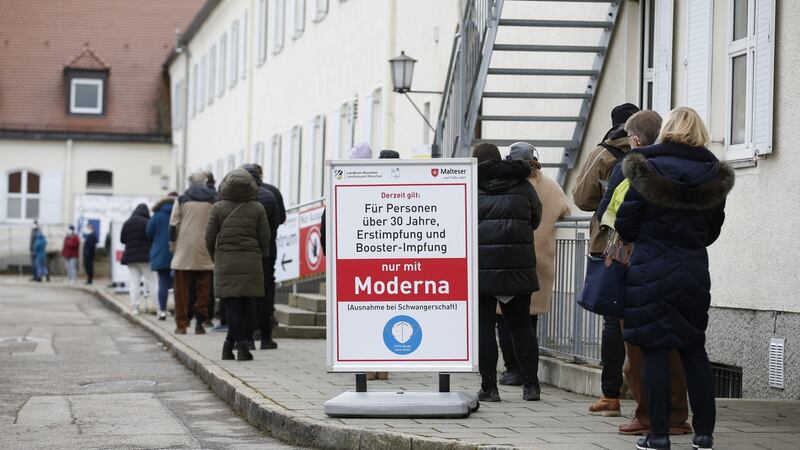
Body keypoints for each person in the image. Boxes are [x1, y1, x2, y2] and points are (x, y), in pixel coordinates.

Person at [609, 107, 733, 450]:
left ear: (668, 130)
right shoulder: (712, 174)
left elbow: (625, 223)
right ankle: (704, 435)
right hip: (693, 271)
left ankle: (658, 435)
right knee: (694, 350)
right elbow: (711, 231)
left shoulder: (646, 168)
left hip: (650, 270)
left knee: (655, 352)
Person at [597, 111, 694, 437]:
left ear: (635, 139)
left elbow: (614, 217)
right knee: (676, 346)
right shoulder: (685, 169)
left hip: (638, 266)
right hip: (684, 269)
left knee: (639, 345)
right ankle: (678, 416)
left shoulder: (636, 168)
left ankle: (648, 415)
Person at [572, 102, 639, 417]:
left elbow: (582, 198)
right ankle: (647, 392)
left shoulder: (604, 153)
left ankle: (611, 395)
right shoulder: (655, 150)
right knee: (644, 314)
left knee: (613, 317)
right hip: (645, 244)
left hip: (611, 243)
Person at [496, 143, 571, 386]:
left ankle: (513, 369)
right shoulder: (551, 186)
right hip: (540, 262)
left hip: (508, 258)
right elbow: (567, 210)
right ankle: (529, 371)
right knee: (529, 320)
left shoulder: (505, 184)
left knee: (505, 318)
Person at [473, 142, 542, 402]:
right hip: (518, 266)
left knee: (484, 327)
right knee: (521, 325)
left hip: (482, 269)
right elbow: (535, 219)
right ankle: (531, 386)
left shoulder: (470, 188)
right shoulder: (524, 186)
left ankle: (489, 388)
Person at [205, 168, 270, 361]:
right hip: (251, 260)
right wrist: (260, 256)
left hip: (226, 260)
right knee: (247, 304)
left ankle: (232, 346)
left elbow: (209, 238)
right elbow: (265, 238)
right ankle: (240, 346)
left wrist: (216, 258)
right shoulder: (258, 208)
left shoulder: (217, 208)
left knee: (231, 304)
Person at [170, 171, 217, 335]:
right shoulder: (213, 199)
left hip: (184, 249)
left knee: (181, 291)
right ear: (205, 182)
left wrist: (173, 245)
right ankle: (200, 323)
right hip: (205, 249)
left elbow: (173, 224)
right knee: (203, 290)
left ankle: (181, 325)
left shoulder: (182, 198)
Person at [243, 163, 283, 350]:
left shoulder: (239, 196)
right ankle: (266, 337)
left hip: (247, 252)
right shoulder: (271, 193)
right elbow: (280, 218)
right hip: (268, 250)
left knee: (248, 293)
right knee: (266, 290)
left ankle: (248, 337)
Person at [121, 204, 156, 315]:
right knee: (152, 282)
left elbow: (122, 239)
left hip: (131, 257)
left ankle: (135, 307)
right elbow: (152, 237)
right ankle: (159, 308)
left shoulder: (128, 222)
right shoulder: (148, 222)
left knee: (134, 282)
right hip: (145, 257)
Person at [147, 192, 177, 320]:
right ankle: (180, 311)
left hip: (160, 253)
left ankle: (163, 311)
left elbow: (148, 232)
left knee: (163, 282)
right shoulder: (180, 213)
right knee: (179, 283)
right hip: (177, 251)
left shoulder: (158, 215)